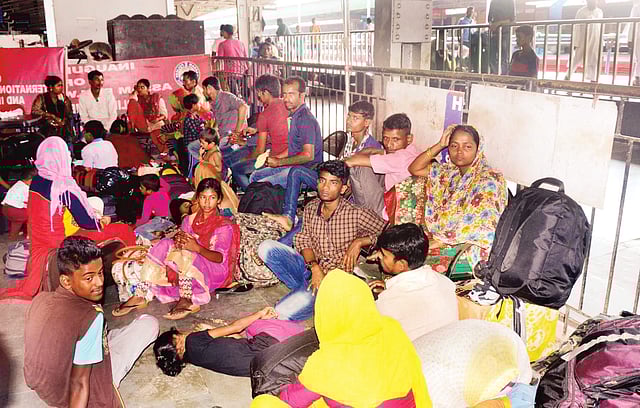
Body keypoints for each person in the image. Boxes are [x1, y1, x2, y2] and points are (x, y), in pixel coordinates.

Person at [250, 270, 430, 407]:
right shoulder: (391, 328)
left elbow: (291, 400)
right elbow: (417, 378)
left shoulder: (328, 361)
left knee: (263, 403)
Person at [24, 236, 159, 408]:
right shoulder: (90, 317)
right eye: (89, 278)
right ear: (66, 281)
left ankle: (100, 342)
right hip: (67, 393)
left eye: (100, 273)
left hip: (44, 387)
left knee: (99, 334)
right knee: (149, 324)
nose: (100, 282)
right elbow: (79, 383)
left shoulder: (40, 298)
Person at [0, 137, 136, 302]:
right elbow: (88, 223)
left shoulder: (36, 181)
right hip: (60, 244)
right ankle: (130, 276)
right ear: (63, 158)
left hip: (39, 244)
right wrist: (103, 221)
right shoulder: (62, 187)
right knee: (123, 229)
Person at [258, 160, 387, 321]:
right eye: (322, 180)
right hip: (310, 267)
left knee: (280, 312)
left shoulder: (356, 213)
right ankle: (308, 291)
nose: (325, 187)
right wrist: (314, 267)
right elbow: (304, 240)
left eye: (333, 183)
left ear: (343, 188)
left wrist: (360, 242)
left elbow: (387, 232)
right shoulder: (311, 207)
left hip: (334, 279)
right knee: (266, 247)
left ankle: (312, 294)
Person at [111, 178, 240, 320]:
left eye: (212, 198)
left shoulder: (223, 226)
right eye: (203, 197)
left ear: (219, 200)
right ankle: (140, 294)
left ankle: (186, 298)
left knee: (187, 250)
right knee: (165, 242)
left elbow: (220, 258)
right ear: (197, 198)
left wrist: (197, 248)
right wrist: (175, 253)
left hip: (214, 269)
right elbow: (180, 245)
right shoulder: (189, 220)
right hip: (190, 264)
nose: (207, 202)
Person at [395, 124, 508, 269]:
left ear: (478, 148)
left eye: (467, 147)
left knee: (406, 264)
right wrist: (440, 144)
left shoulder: (489, 179)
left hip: (468, 249)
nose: (459, 152)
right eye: (454, 146)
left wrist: (442, 241)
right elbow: (414, 169)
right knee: (399, 254)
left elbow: (483, 226)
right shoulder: (449, 172)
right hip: (441, 236)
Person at [368, 223, 458, 341]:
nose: (378, 256)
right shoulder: (445, 282)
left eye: (383, 254)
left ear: (401, 265)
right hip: (449, 344)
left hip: (416, 351)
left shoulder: (387, 302)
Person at [154, 307, 305, 377]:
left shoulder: (195, 359)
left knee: (247, 334)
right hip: (272, 347)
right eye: (180, 334)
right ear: (178, 344)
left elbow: (234, 345)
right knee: (251, 322)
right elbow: (235, 327)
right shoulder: (193, 340)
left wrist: (212, 330)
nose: (185, 332)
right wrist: (259, 314)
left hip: (268, 368)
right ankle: (303, 332)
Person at [345, 113, 421, 220]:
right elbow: (375, 151)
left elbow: (352, 161)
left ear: (409, 138)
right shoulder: (412, 150)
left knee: (359, 167)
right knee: (371, 162)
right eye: (386, 138)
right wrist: (372, 151)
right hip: (402, 204)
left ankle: (364, 213)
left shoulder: (399, 158)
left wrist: (343, 168)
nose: (389, 144)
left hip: (390, 213)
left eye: (395, 139)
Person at [249, 77, 322, 188]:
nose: (286, 99)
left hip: (305, 171)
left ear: (302, 96)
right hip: (294, 165)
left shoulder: (305, 119)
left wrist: (279, 162)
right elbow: (294, 147)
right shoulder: (294, 115)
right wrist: (277, 158)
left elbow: (308, 155)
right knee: (255, 176)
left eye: (291, 94)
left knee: (260, 185)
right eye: (284, 94)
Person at [230, 74, 289, 190]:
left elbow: (259, 151)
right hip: (291, 153)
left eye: (258, 93)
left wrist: (244, 160)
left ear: (265, 92)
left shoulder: (264, 115)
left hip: (276, 158)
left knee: (236, 168)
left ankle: (252, 194)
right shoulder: (287, 105)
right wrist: (257, 129)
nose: (258, 96)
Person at [197, 76, 248, 167]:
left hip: (231, 137)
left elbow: (243, 107)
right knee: (196, 147)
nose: (203, 92)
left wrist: (237, 132)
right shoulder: (214, 102)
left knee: (212, 155)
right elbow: (219, 121)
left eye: (204, 89)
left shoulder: (226, 97)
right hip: (223, 135)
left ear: (209, 88)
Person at [127, 78, 169, 153]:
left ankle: (165, 153)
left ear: (148, 88)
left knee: (159, 131)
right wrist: (134, 94)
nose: (140, 89)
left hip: (156, 123)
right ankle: (132, 128)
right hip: (144, 124)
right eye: (138, 87)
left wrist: (157, 119)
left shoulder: (156, 97)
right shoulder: (136, 100)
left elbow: (164, 114)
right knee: (132, 102)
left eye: (142, 87)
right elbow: (131, 112)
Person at [568, 0, 603, 82]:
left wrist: (601, 41)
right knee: (576, 59)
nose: (592, 3)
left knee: (594, 59)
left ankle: (593, 79)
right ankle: (567, 76)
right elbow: (576, 28)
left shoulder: (599, 12)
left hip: (595, 40)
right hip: (583, 40)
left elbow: (600, 27)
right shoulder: (581, 12)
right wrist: (575, 42)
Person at [31, 76, 74, 142]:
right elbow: (35, 111)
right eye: (58, 86)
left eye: (62, 85)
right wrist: (51, 116)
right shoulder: (42, 97)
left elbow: (69, 114)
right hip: (47, 128)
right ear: (51, 87)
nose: (61, 88)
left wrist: (65, 103)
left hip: (62, 128)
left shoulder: (64, 98)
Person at [1, 167, 36, 241]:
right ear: (31, 180)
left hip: (5, 209)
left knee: (16, 222)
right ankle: (30, 236)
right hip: (14, 210)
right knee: (33, 215)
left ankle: (12, 236)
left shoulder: (18, 183)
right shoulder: (26, 188)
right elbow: (29, 202)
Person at [217, 24, 250, 97]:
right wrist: (248, 69)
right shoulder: (240, 43)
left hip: (230, 72)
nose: (222, 33)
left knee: (234, 93)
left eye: (223, 32)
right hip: (242, 71)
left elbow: (219, 59)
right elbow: (246, 57)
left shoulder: (222, 44)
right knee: (244, 93)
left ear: (225, 32)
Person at [488, 0, 516, 75]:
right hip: (494, 33)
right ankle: (495, 75)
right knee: (492, 57)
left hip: (505, 33)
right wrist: (491, 25)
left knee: (504, 57)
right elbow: (489, 18)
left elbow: (512, 19)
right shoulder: (493, 2)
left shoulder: (510, 2)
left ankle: (504, 76)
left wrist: (498, 23)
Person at [630, 0, 640, 86]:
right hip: (638, 35)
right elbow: (631, 23)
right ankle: (637, 78)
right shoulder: (637, 7)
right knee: (639, 57)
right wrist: (630, 38)